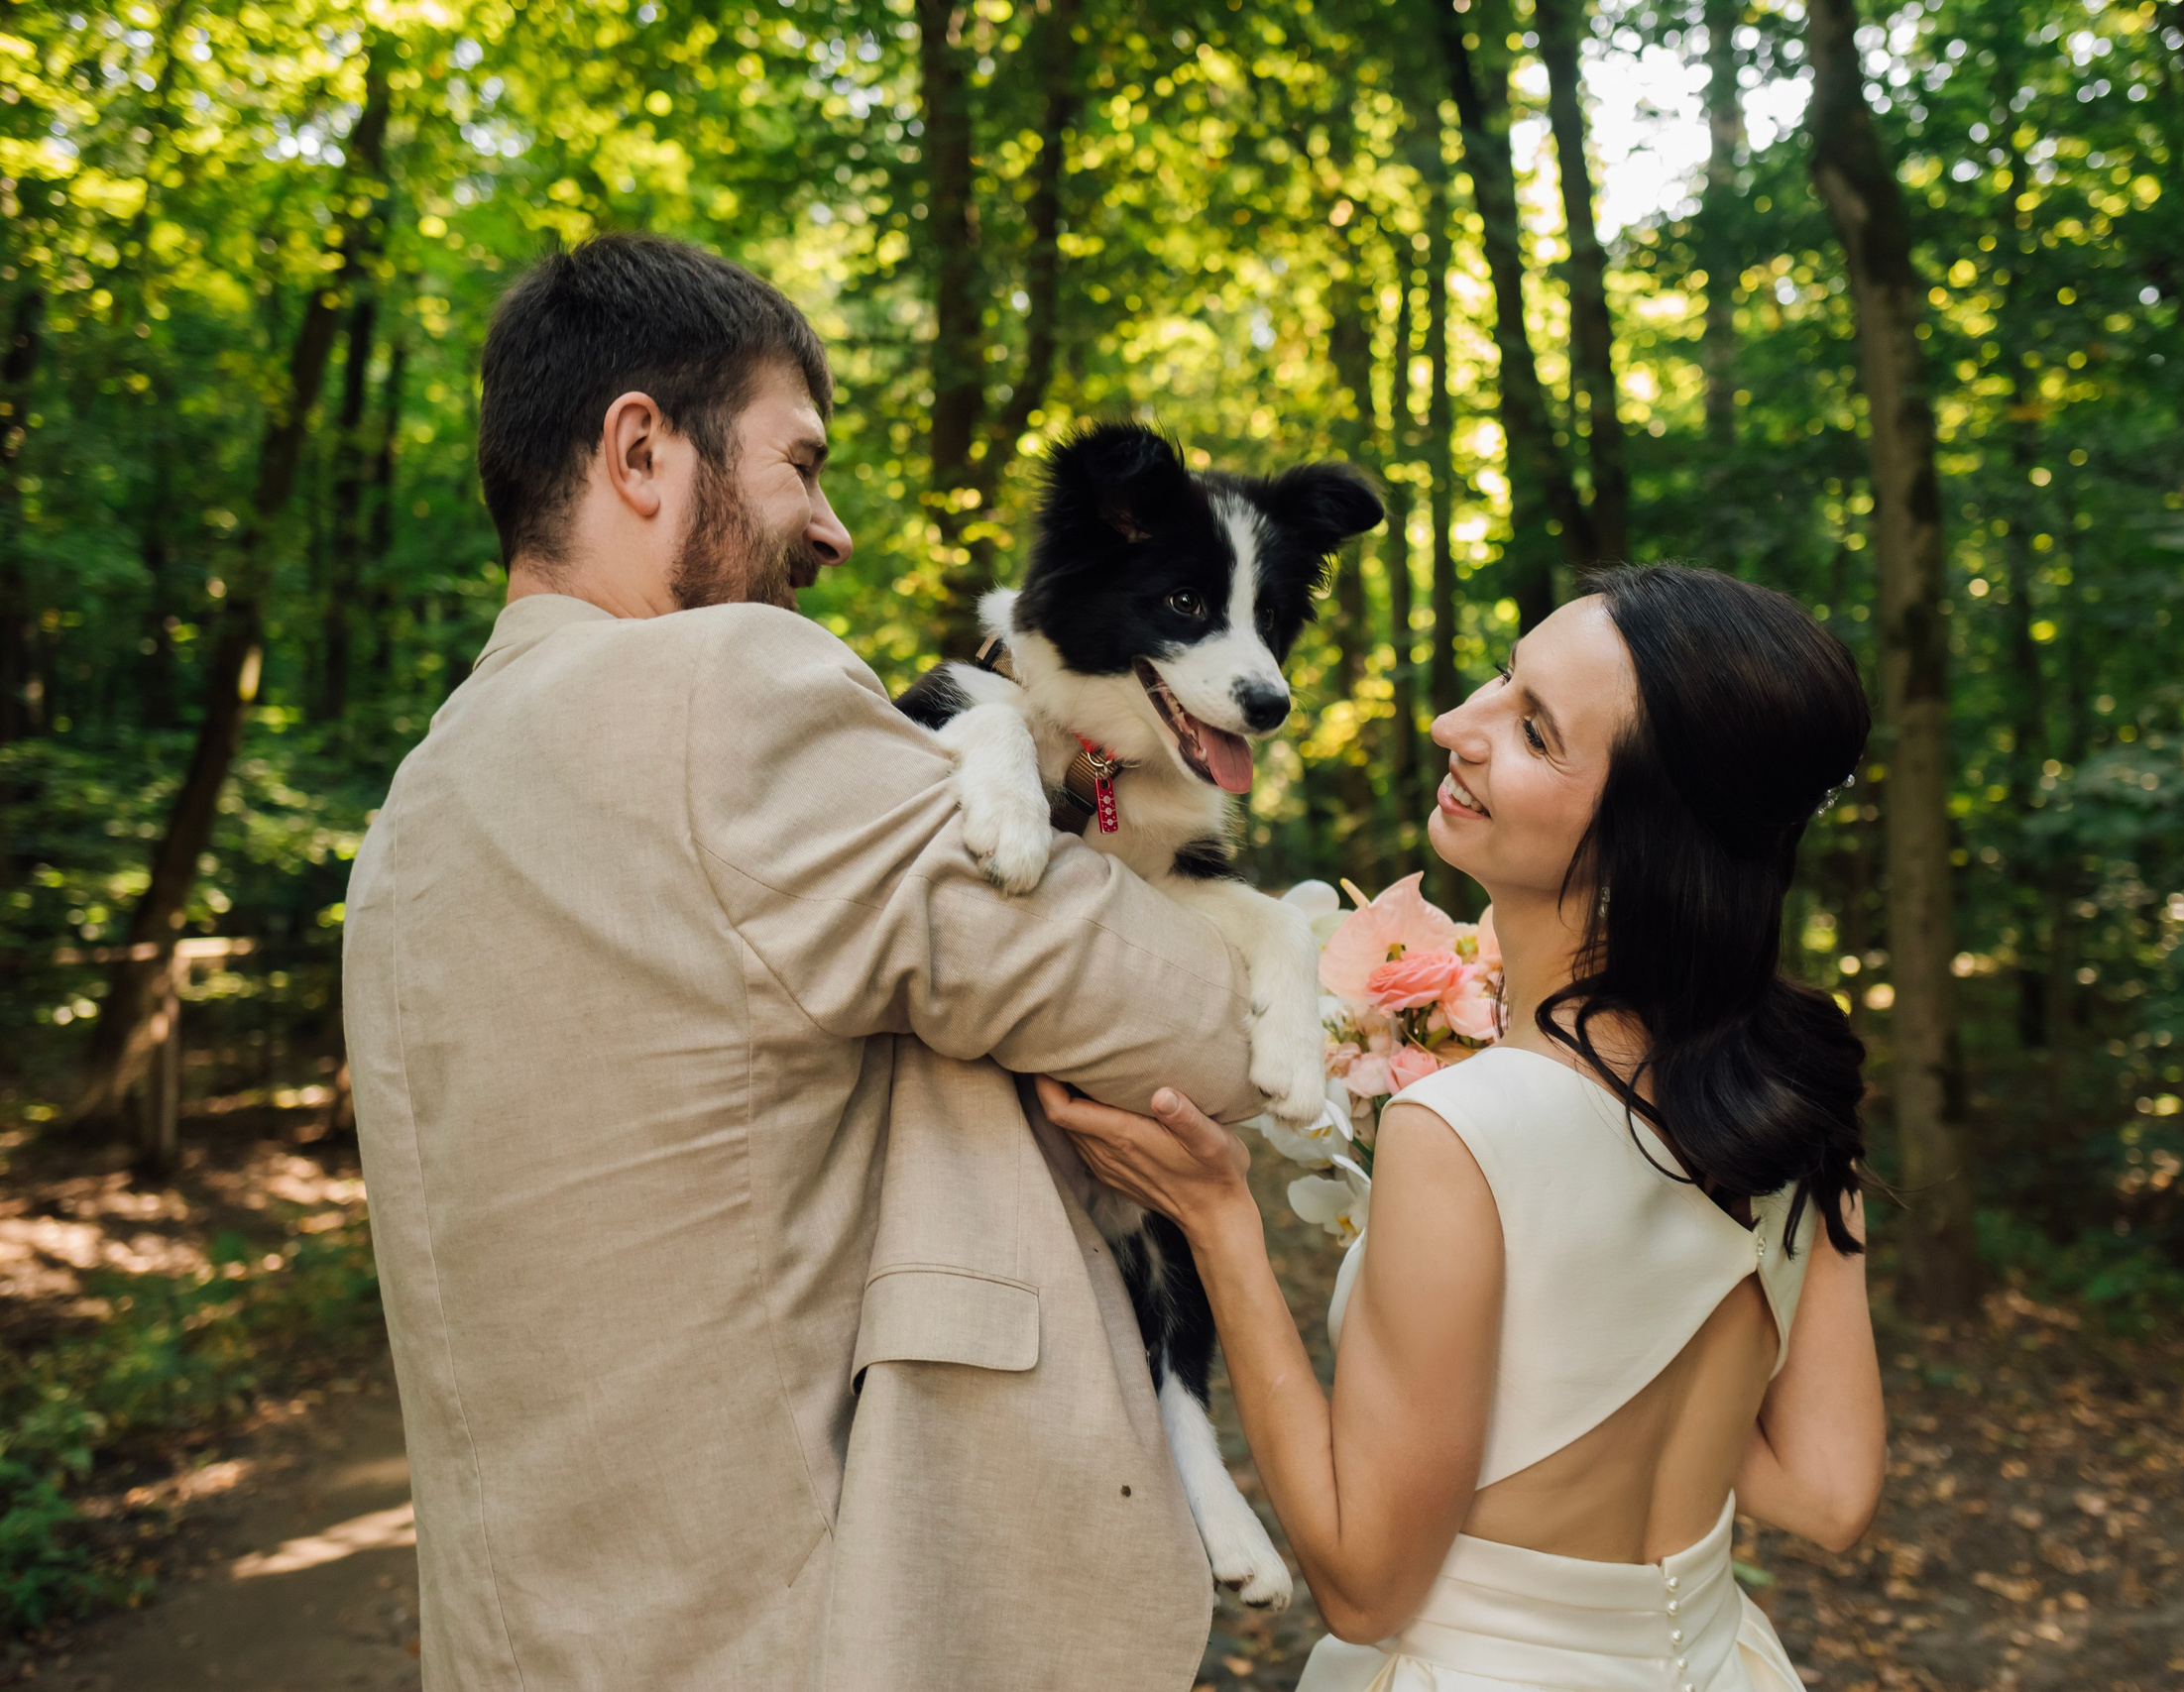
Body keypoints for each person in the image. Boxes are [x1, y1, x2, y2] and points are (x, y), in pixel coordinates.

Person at [341, 233, 1266, 1690]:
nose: (830, 528)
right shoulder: (729, 685)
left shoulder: (414, 808)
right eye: (801, 463)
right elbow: (1194, 1035)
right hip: (812, 1622)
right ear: (640, 449)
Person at [1043, 565, 1889, 1691]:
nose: (1457, 724)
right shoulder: (1789, 1095)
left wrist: (1219, 1223)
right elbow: (1828, 1493)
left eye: (1534, 731)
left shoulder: (1464, 1126)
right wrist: (1576, 1363)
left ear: (1648, 833)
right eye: (1503, 678)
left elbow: (1364, 1586)